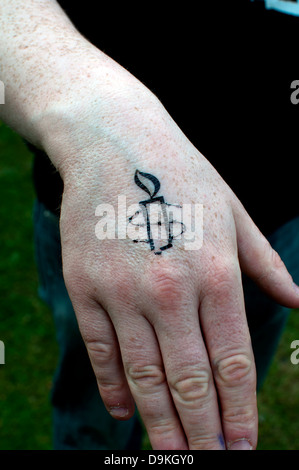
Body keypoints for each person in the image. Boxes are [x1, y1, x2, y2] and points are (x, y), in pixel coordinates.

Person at [0, 0, 299, 450]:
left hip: (271, 225)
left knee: (225, 382)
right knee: (102, 382)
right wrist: (99, 116)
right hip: (93, 220)